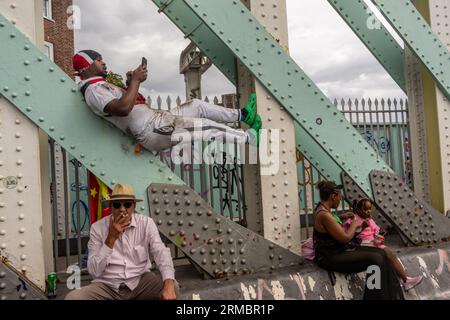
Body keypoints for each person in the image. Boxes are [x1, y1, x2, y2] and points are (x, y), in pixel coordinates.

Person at [72, 50, 262, 152]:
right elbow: (123, 109)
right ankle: (248, 138)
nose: (103, 62)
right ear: (87, 65)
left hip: (158, 120)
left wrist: (130, 83)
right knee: (202, 127)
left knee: (197, 106)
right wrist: (136, 81)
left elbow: (132, 101)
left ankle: (243, 115)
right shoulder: (94, 90)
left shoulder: (100, 85)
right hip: (151, 129)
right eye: (98, 60)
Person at [65, 184, 178, 300]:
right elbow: (94, 271)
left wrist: (169, 284)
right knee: (73, 298)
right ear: (111, 207)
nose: (122, 209)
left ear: (134, 206)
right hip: (108, 286)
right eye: (117, 205)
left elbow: (161, 252)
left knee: (172, 287)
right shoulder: (97, 228)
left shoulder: (146, 223)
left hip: (139, 282)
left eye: (127, 204)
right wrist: (111, 238)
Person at [313, 180, 404, 300]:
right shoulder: (324, 215)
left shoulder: (322, 209)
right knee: (376, 259)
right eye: (339, 197)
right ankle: (376, 297)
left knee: (382, 253)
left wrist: (341, 217)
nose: (340, 200)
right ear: (333, 196)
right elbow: (345, 238)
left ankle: (389, 296)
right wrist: (355, 225)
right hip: (330, 256)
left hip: (335, 251)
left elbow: (330, 226)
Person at [344, 198, 423, 291]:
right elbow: (348, 235)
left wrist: (379, 237)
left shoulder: (370, 220)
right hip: (362, 245)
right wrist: (361, 228)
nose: (368, 211)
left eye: (370, 209)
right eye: (365, 209)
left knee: (390, 254)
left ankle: (405, 280)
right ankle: (406, 280)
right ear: (358, 210)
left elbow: (375, 233)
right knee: (387, 253)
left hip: (372, 243)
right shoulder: (353, 220)